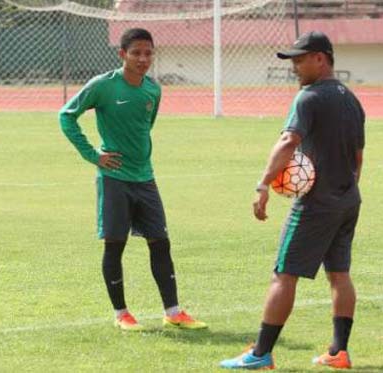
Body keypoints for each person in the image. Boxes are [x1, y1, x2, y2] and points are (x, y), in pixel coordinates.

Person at [220, 31, 365, 369]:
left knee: (283, 275)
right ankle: (339, 352)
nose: (295, 67)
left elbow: (288, 142)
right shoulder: (352, 100)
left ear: (321, 58)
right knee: (339, 274)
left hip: (315, 205)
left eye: (300, 60)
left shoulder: (309, 98)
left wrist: (264, 184)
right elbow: (358, 158)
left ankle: (261, 354)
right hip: (347, 200)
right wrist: (343, 191)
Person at [59, 28, 206, 332]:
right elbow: (66, 116)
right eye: (136, 52)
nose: (142, 58)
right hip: (113, 178)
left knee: (161, 242)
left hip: (145, 177)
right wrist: (93, 155)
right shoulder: (103, 86)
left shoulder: (153, 90)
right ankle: (122, 313)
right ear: (122, 54)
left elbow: (144, 128)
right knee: (115, 245)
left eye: (148, 53)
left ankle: (173, 311)